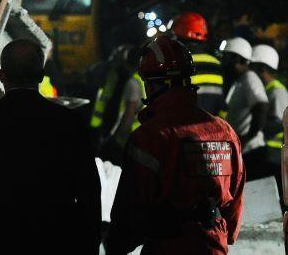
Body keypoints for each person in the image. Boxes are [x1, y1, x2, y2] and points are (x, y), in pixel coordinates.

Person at [0, 39, 100, 254]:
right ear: (41, 75)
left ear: (2, 76)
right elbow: (89, 191)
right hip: (54, 240)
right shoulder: (70, 122)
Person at [105, 35, 245, 255]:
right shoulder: (224, 131)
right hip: (214, 247)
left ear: (154, 84)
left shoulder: (149, 137)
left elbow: (130, 210)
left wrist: (116, 244)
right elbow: (234, 201)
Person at [221, 37, 271, 180]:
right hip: (244, 151)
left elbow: (261, 105)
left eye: (226, 58)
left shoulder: (250, 77)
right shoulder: (240, 80)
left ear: (237, 58)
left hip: (252, 152)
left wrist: (248, 137)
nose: (223, 62)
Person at [90, 44, 144, 163]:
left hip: (128, 138)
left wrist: (116, 139)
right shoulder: (146, 80)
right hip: (143, 136)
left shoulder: (132, 83)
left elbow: (129, 114)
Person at [171, 11, 227, 117]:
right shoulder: (215, 63)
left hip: (183, 129)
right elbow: (220, 103)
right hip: (211, 128)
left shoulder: (178, 62)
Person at [250, 44, 288, 187]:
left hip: (273, 154)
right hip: (264, 151)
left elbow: (280, 123)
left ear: (262, 68)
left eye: (253, 67)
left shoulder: (277, 92)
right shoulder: (264, 89)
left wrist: (254, 127)